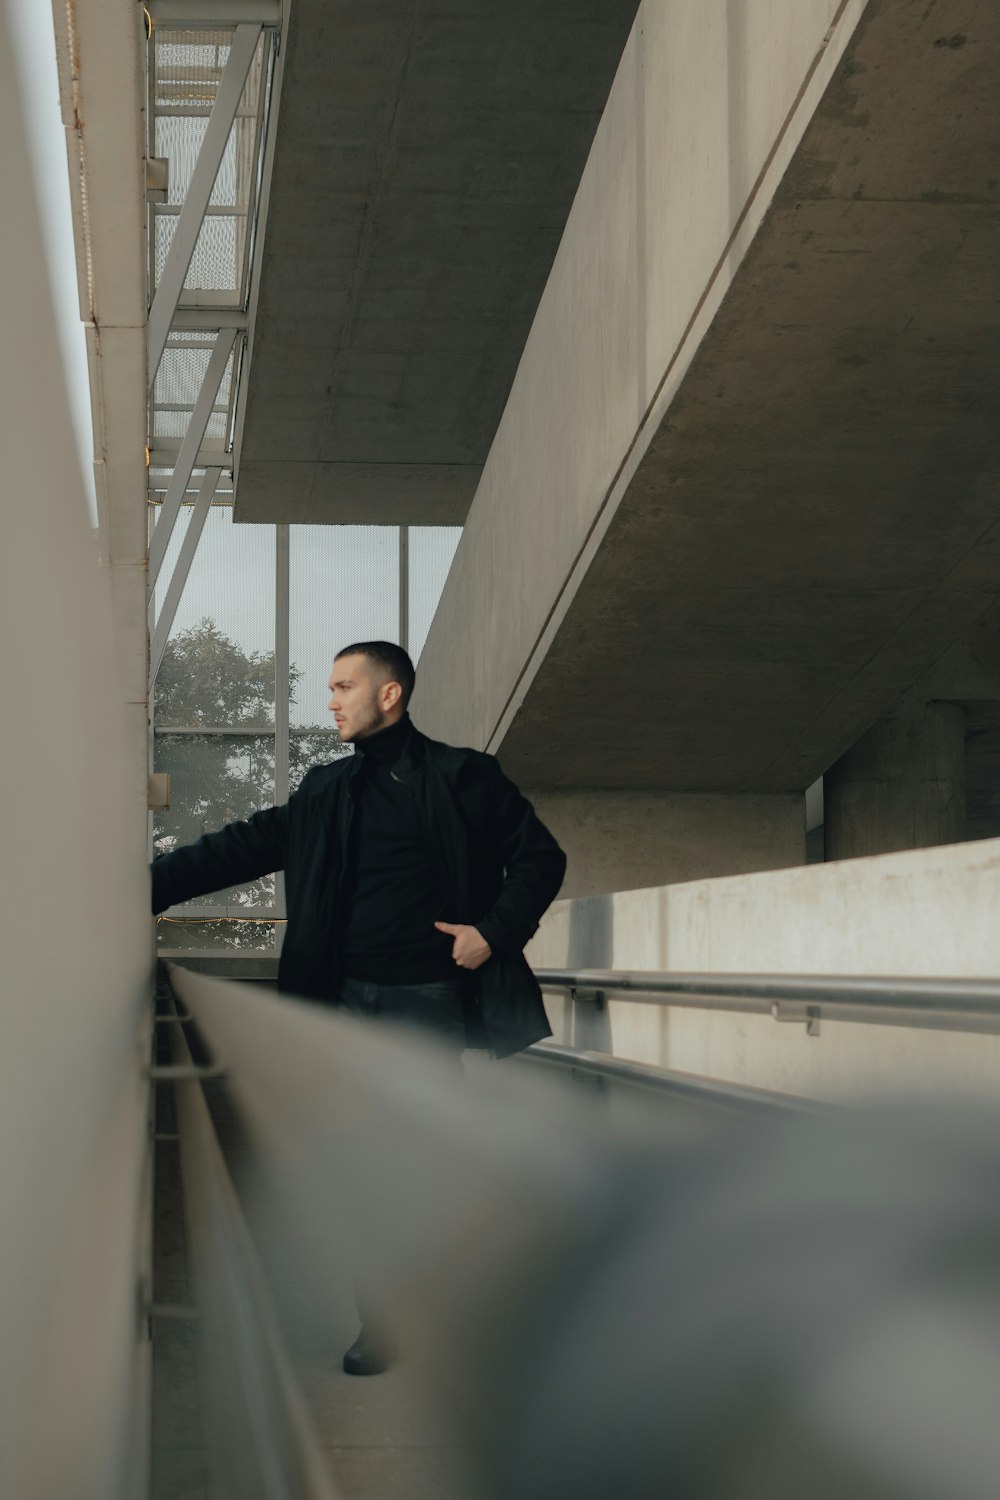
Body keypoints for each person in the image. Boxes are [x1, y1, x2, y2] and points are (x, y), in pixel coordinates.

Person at [151, 639, 567, 1374]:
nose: (331, 699)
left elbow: (541, 858)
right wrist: (135, 887)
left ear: (390, 694)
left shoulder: (463, 777)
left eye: (344, 685)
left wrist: (493, 934)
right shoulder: (325, 790)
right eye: (331, 687)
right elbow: (242, 847)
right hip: (337, 1001)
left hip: (424, 1001)